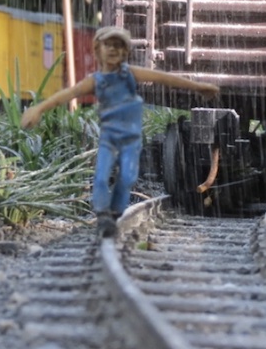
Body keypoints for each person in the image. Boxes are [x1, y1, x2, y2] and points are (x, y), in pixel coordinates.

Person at [20, 26, 219, 237]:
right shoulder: (95, 81)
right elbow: (68, 94)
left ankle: (115, 213)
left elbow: (164, 78)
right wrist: (38, 108)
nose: (113, 50)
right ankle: (103, 214)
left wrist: (196, 86)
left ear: (125, 51)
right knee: (101, 177)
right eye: (108, 45)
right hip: (109, 138)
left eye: (118, 46)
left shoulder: (131, 74)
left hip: (131, 140)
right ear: (98, 49)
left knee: (126, 177)